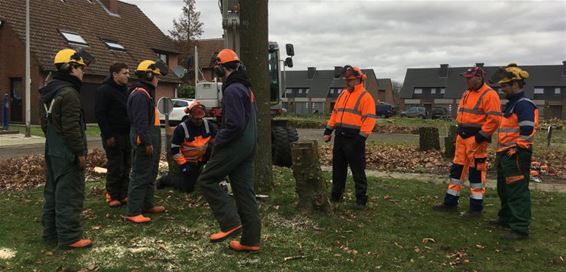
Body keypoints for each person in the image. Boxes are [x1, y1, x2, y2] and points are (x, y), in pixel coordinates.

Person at [197, 49, 261, 253]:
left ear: (220, 67)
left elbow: (234, 124)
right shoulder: (246, 87)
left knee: (206, 180)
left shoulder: (232, 89)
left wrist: (217, 141)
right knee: (244, 192)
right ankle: (251, 240)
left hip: (236, 144)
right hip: (249, 144)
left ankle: (230, 221)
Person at [38, 48, 94, 249]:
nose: (83, 72)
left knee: (52, 193)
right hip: (68, 153)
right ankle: (70, 237)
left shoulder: (48, 91)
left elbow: (45, 124)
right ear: (71, 67)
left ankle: (51, 234)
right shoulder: (69, 93)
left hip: (52, 150)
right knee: (69, 194)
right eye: (80, 68)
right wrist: (79, 153)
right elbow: (71, 128)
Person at [433, 66, 501, 217]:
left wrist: (480, 136)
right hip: (462, 137)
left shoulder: (490, 95)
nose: (466, 80)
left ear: (479, 78)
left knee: (476, 174)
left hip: (476, 139)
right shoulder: (467, 93)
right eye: (466, 77)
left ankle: (476, 208)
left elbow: (495, 120)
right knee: (457, 171)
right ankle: (450, 202)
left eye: (469, 78)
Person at [491, 64, 538, 240]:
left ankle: (519, 228)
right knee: (503, 189)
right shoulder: (512, 104)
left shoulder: (523, 104)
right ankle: (505, 218)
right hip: (505, 153)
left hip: (516, 154)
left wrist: (517, 149)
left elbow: (527, 130)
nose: (502, 89)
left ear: (515, 85)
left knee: (517, 191)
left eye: (505, 86)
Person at [323, 65, 377, 210]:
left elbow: (369, 120)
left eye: (351, 79)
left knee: (358, 171)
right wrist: (328, 130)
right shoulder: (343, 94)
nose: (348, 82)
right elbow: (335, 114)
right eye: (347, 79)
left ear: (359, 79)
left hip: (355, 139)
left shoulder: (366, 97)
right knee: (338, 168)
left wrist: (361, 138)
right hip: (340, 137)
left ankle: (361, 200)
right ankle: (336, 195)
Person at [126, 60, 168, 223]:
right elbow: (140, 122)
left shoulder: (147, 93)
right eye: (156, 76)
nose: (157, 79)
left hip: (152, 135)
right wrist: (147, 142)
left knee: (150, 173)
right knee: (140, 174)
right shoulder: (140, 94)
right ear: (149, 75)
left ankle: (147, 204)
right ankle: (133, 211)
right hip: (144, 138)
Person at [157, 101, 216, 193]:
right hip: (188, 161)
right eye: (196, 119)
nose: (199, 121)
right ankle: (166, 180)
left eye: (200, 118)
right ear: (190, 116)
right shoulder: (182, 129)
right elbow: (175, 150)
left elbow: (216, 140)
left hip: (202, 158)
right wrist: (184, 164)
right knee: (187, 188)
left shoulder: (208, 125)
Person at [95, 63, 131, 207]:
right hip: (113, 135)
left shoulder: (126, 91)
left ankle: (124, 194)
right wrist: (108, 134)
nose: (128, 76)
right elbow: (100, 113)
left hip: (127, 134)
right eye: (124, 73)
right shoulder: (104, 90)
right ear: (115, 74)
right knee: (116, 165)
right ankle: (112, 195)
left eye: (128, 73)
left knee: (127, 165)